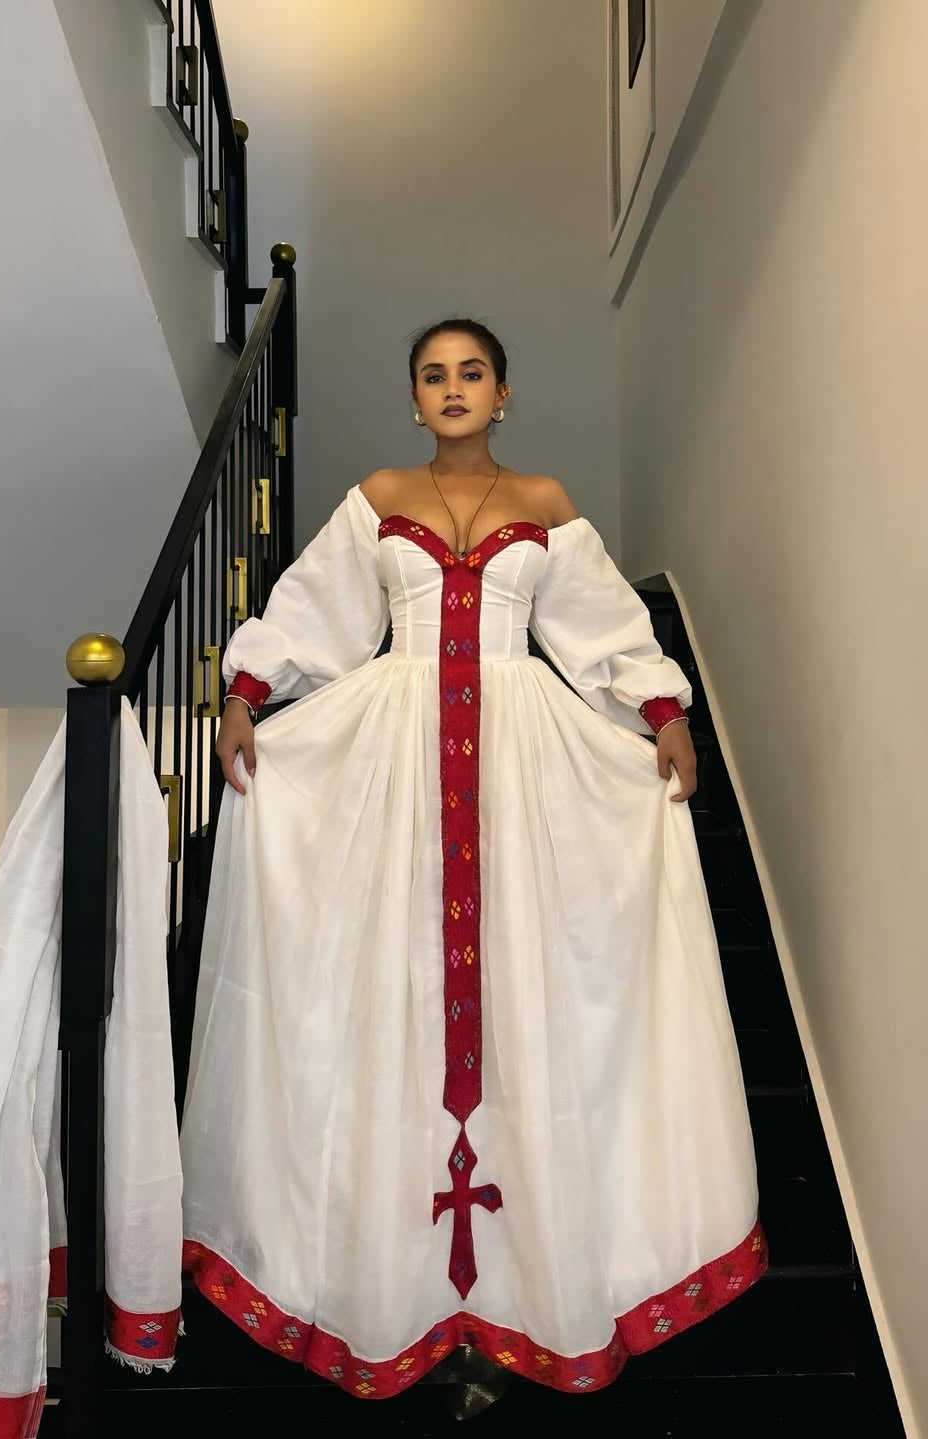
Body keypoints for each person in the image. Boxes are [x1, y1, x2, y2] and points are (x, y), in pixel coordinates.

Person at [179, 318, 766, 1404]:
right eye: (433, 375)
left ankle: (534, 1280)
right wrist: (249, 692)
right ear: (414, 399)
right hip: (396, 763)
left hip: (521, 758)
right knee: (393, 986)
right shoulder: (378, 494)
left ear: (503, 391)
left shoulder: (544, 502)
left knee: (527, 985)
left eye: (472, 372)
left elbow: (601, 627)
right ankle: (391, 1283)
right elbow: (314, 611)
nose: (453, 388)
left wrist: (663, 710)